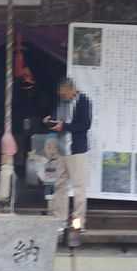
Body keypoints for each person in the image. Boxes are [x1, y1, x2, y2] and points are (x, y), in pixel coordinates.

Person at [44, 76, 93, 231]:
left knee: (79, 187)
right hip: (61, 149)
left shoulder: (83, 101)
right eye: (61, 95)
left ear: (72, 89)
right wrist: (49, 121)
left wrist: (64, 126)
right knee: (60, 185)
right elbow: (56, 120)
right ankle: (60, 221)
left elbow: (85, 125)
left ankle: (78, 223)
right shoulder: (61, 103)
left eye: (65, 94)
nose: (63, 97)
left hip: (76, 150)